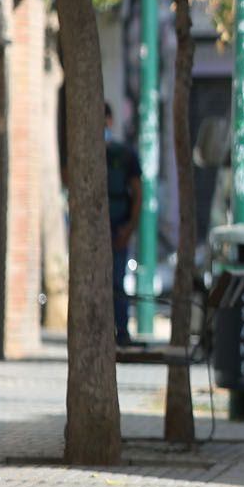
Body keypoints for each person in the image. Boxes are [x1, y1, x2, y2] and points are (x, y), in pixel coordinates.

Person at [104, 103, 141, 347]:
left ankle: (122, 330)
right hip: (99, 226)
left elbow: (138, 193)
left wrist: (128, 229)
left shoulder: (124, 155)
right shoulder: (83, 151)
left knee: (117, 280)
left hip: (118, 225)